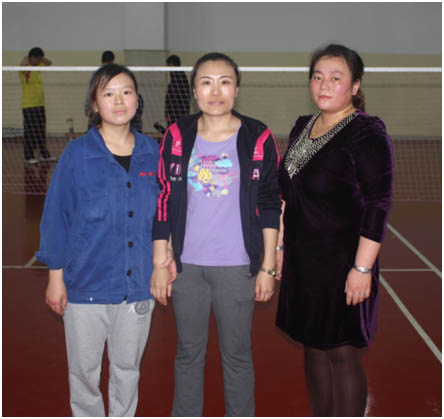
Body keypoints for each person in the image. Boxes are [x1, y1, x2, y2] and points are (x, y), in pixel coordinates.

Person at [151, 52, 281, 416]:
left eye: (225, 82)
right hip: (186, 268)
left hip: (237, 267)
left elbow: (271, 200)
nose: (216, 91)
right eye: (206, 83)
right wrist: (160, 261)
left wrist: (267, 265)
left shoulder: (257, 136)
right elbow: (164, 197)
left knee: (237, 355)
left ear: (236, 89)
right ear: (194, 90)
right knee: (188, 353)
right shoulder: (177, 135)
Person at [275, 44, 394, 417]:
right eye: (317, 76)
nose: (324, 85)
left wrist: (361, 269)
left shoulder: (366, 133)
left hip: (343, 262)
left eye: (336, 78)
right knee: (312, 346)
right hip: (303, 262)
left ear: (355, 86)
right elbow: (287, 194)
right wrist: (279, 246)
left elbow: (378, 205)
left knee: (342, 351)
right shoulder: (303, 126)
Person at [36, 63, 160, 417]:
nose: (119, 101)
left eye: (126, 92)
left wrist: (165, 263)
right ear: (94, 104)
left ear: (137, 99)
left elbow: (165, 216)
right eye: (108, 93)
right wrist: (56, 277)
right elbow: (57, 216)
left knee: (127, 369)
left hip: (138, 285)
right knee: (84, 373)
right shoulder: (77, 155)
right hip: (85, 285)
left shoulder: (153, 152)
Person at [19, 47, 56, 164]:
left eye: (39, 59)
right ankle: (28, 156)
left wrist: (40, 58)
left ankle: (44, 155)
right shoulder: (23, 68)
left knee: (41, 131)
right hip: (28, 106)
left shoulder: (38, 65)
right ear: (31, 58)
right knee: (30, 132)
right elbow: (23, 63)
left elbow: (49, 62)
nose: (38, 61)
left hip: (40, 104)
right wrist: (27, 57)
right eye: (36, 58)